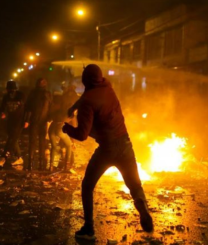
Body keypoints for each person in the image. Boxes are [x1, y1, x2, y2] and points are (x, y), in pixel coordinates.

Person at [62, 64, 153, 240]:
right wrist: (74, 106)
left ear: (85, 80)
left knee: (87, 186)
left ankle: (89, 228)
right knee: (134, 185)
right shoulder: (108, 88)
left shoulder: (88, 101)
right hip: (126, 144)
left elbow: (82, 134)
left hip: (107, 149)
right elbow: (89, 97)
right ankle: (142, 207)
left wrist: (67, 129)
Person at [24, 78, 52, 171]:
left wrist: (27, 120)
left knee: (32, 142)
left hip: (34, 121)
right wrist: (49, 119)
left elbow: (27, 108)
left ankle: (30, 164)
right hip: (43, 122)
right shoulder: (47, 94)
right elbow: (51, 108)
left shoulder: (33, 93)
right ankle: (41, 164)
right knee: (42, 142)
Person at [48, 85, 78, 171]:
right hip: (60, 128)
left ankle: (51, 166)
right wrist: (74, 142)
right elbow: (74, 128)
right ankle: (67, 166)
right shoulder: (72, 114)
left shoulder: (61, 109)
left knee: (54, 147)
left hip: (52, 127)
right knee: (69, 145)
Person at [0, 81, 25, 167]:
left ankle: (3, 158)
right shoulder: (6, 97)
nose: (11, 93)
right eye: (10, 91)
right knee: (13, 139)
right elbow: (1, 107)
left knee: (11, 139)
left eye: (13, 90)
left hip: (20, 121)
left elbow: (27, 108)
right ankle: (19, 158)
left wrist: (27, 120)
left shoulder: (21, 96)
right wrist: (2, 112)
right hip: (10, 121)